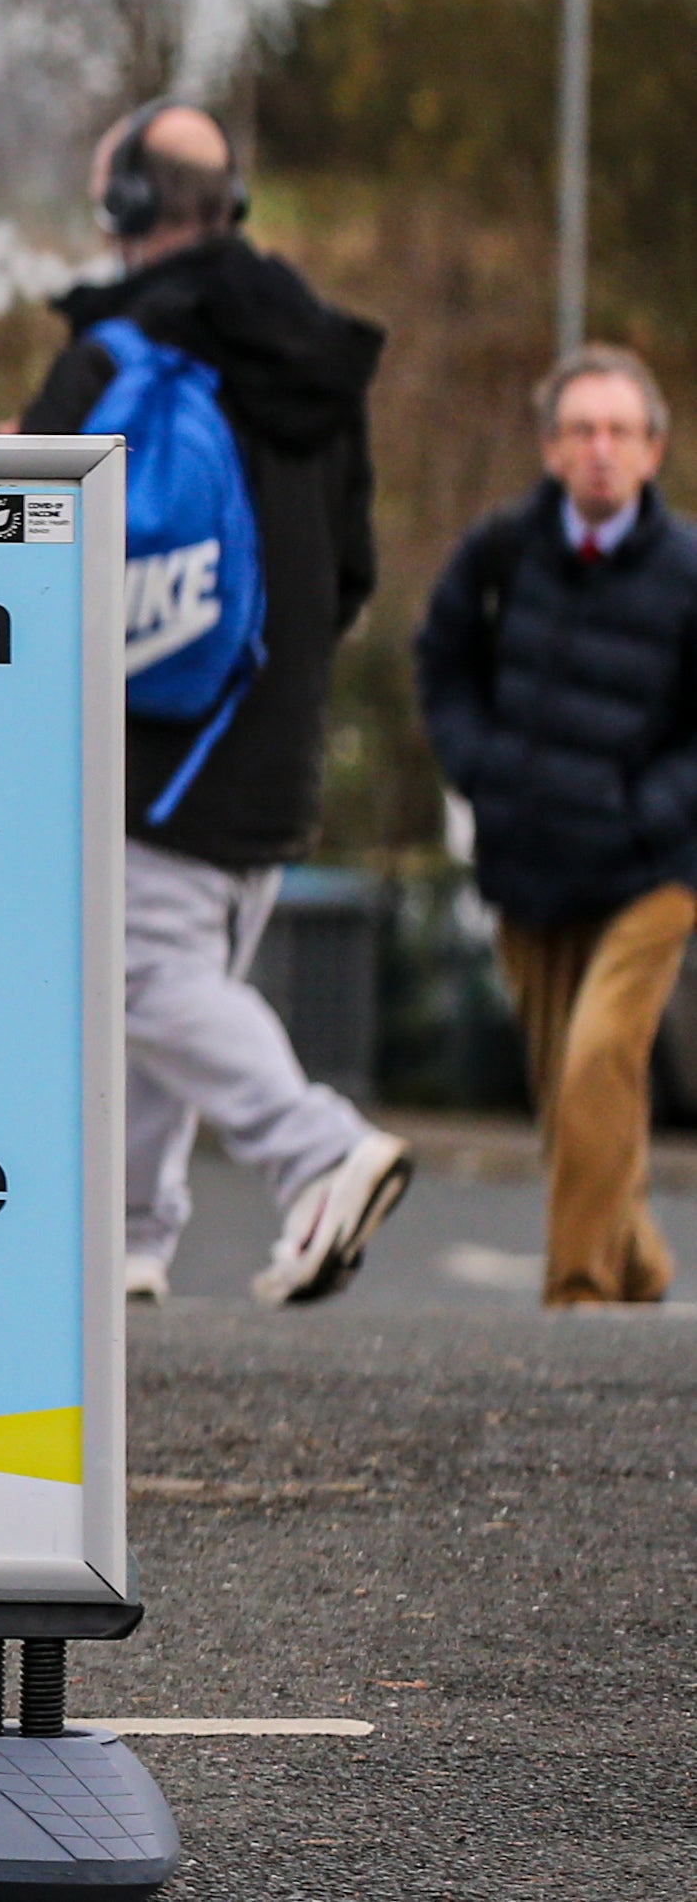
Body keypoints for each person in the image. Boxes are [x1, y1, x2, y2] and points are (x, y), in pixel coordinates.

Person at [14, 101, 410, 1303]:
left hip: (155, 737)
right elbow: (351, 570)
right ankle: (130, 1236)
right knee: (172, 982)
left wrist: (0, 456)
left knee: (138, 977)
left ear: (129, 207)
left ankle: (318, 1149)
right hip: (273, 736)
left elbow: (16, 558)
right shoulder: (315, 357)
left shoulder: (114, 359)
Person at [412, 345, 692, 1307]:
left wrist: (646, 810)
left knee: (597, 1059)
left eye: (619, 431)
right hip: (529, 864)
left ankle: (576, 1292)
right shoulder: (499, 551)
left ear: (653, 450)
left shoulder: (686, 571)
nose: (600, 450)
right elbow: (440, 659)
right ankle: (640, 1258)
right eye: (581, 431)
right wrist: (481, 772)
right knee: (566, 1098)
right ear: (549, 447)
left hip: (651, 872)